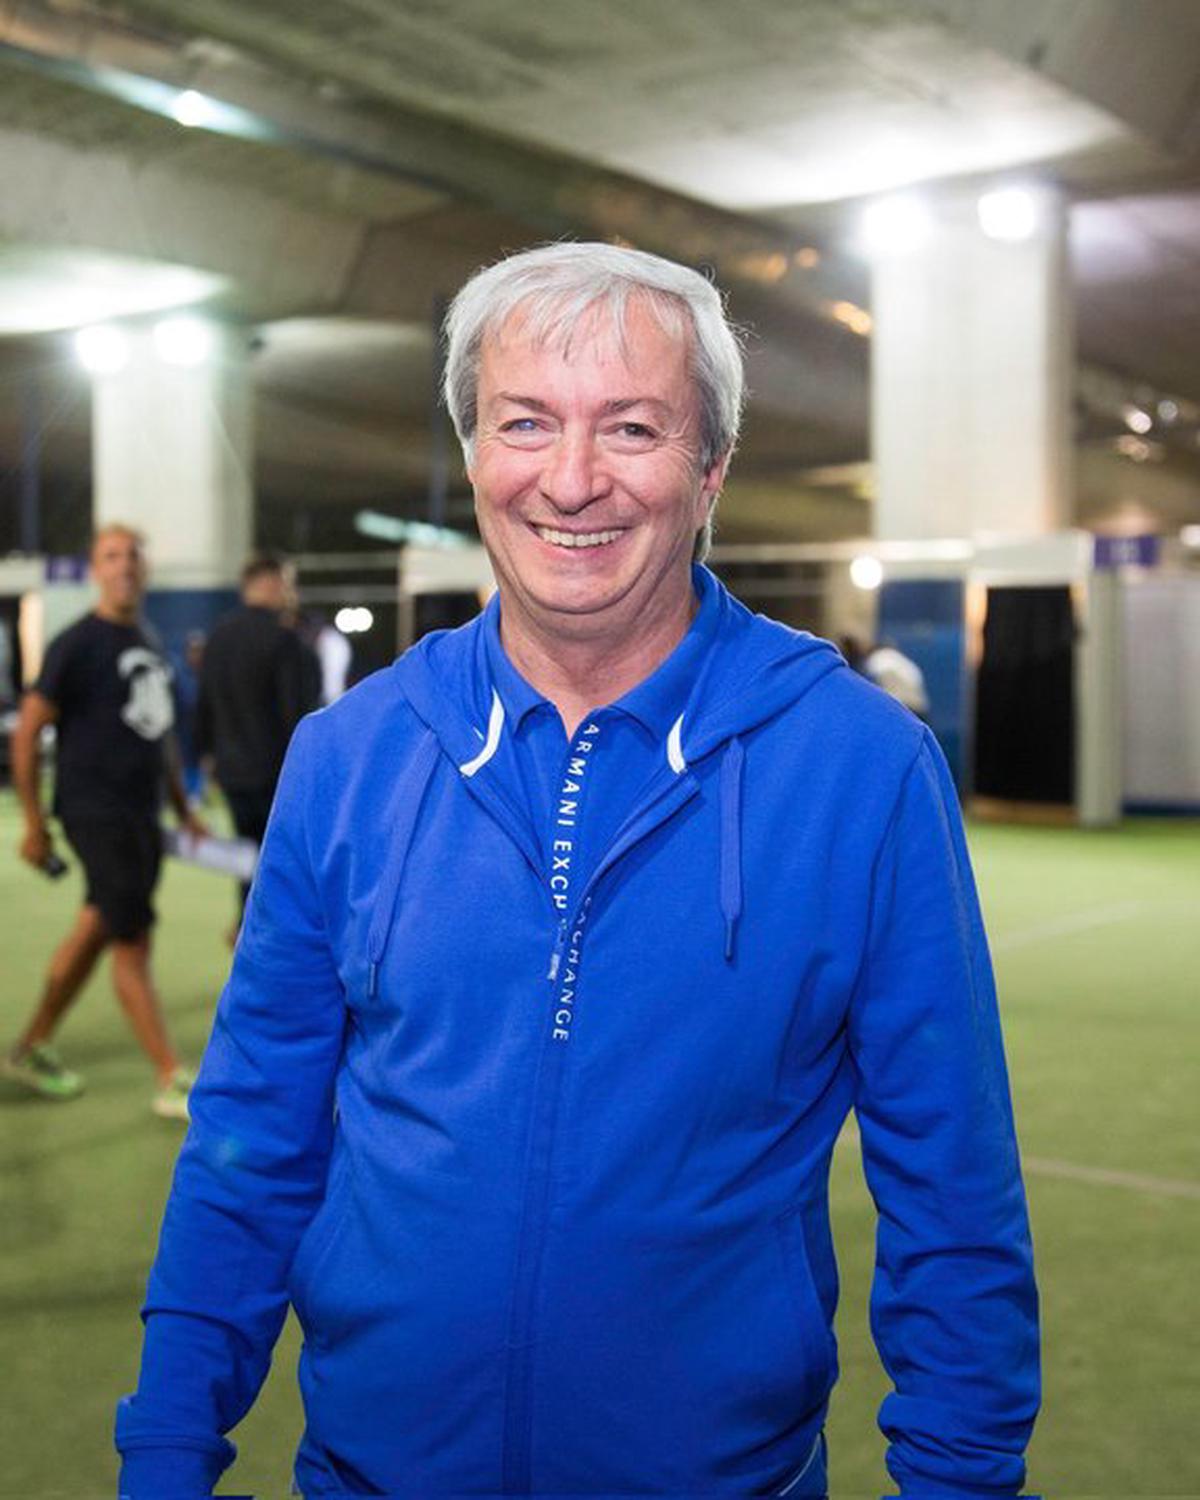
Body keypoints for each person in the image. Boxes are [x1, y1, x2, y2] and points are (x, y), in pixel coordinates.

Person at [117, 244, 1039, 1497]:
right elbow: (250, 1141)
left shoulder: (862, 768)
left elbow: (954, 1198)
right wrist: (168, 1453)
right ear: (473, 455)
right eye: (526, 422)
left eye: (634, 427)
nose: (571, 479)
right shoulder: (347, 758)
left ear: (711, 469)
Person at [4, 524, 204, 1120]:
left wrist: (182, 806)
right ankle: (170, 1075)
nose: (124, 566)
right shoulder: (76, 643)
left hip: (140, 815)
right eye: (112, 557)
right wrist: (34, 824)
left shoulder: (148, 640)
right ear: (95, 570)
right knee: (131, 942)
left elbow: (160, 736)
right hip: (95, 812)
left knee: (99, 925)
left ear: (145, 570)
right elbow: (27, 732)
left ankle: (30, 1046)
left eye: (133, 556)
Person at [195, 554, 318, 924]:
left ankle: (244, 926)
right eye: (288, 584)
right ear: (273, 583)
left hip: (231, 772)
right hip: (276, 772)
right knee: (282, 864)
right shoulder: (285, 639)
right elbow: (296, 714)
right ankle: (255, 932)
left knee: (249, 857)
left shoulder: (216, 637)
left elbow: (203, 704)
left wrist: (206, 756)